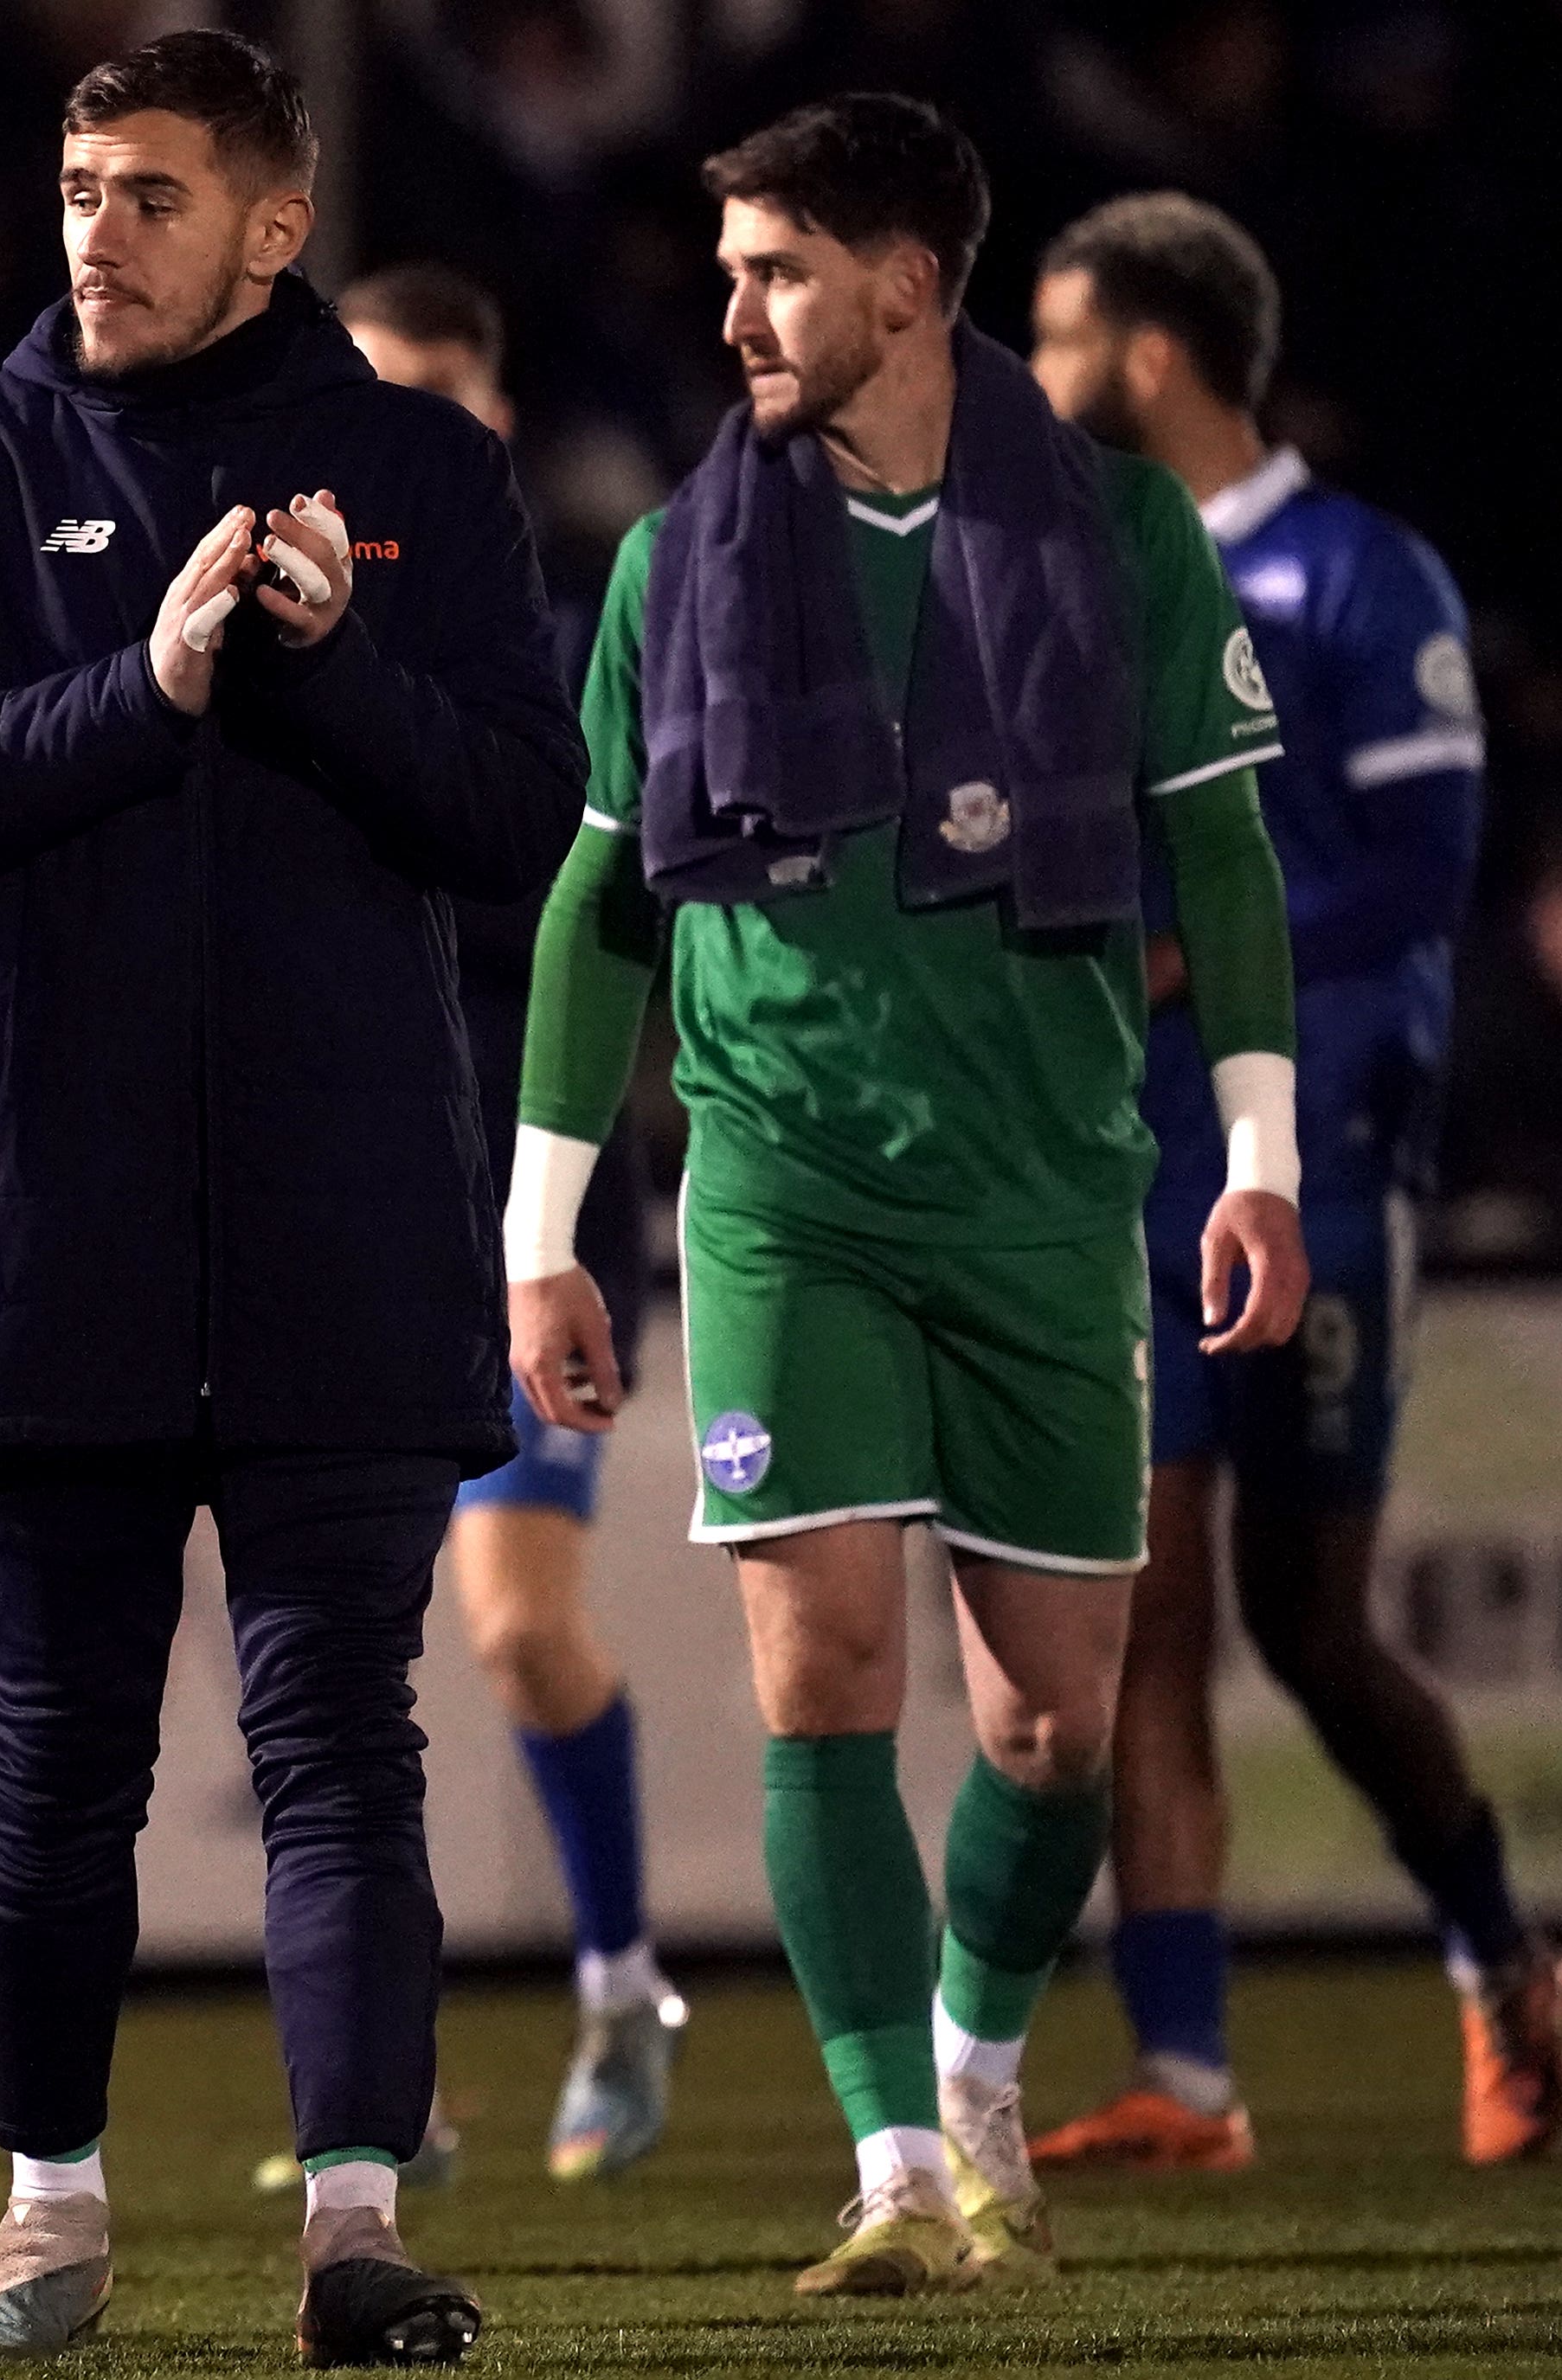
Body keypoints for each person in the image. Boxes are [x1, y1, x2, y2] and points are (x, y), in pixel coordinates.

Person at [0, 30, 586, 2367]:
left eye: (151, 193)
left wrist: (331, 671)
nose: (95, 231)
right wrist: (141, 692)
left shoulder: (422, 469)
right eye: (76, 186)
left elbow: (517, 822)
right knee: (56, 1749)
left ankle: (357, 2232)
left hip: (346, 1221)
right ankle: (47, 2221)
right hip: (48, 1226)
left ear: (274, 221)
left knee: (346, 1735)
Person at [508, 94, 1307, 2300]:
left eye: (779, 269)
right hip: (783, 1185)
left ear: (908, 286)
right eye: (732, 266)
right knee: (827, 1670)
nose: (738, 308)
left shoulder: (1123, 531)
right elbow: (601, 903)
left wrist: (1263, 1165)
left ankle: (972, 2067)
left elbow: (1223, 856)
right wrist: (542, 1226)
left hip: (1053, 1194)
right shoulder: (682, 554)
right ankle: (887, 2157)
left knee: (1055, 1721)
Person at [1022, 194, 1550, 2170]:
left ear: (1150, 352)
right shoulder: (1093, 577)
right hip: (1129, 1156)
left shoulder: (1359, 574)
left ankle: (1504, 1956)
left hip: (1323, 1148)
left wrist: (1181, 952)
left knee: (1313, 1622)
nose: (1041, 368)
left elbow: (1423, 868)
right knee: (1146, 1602)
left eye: (1061, 332)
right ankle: (1191, 2072)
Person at [338, 262, 684, 2186]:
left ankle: (625, 1979)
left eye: (446, 403)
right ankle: (388, 2083)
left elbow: (570, 920)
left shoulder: (565, 647)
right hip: (346, 1182)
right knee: (348, 1647)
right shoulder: (277, 639)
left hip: (531, 1190)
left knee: (520, 1628)